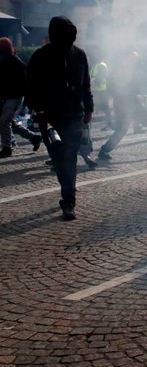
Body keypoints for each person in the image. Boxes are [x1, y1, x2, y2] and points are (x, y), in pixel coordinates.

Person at [25, 17, 93, 221]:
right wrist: (39, 111)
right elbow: (31, 87)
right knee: (58, 158)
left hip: (74, 115)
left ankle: (68, 201)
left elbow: (85, 84)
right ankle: (67, 188)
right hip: (50, 118)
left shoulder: (80, 55)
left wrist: (89, 108)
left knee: (69, 158)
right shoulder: (40, 56)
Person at [98, 48, 147, 160]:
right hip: (126, 104)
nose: (136, 60)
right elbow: (115, 89)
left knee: (124, 128)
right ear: (126, 58)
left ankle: (104, 150)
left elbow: (141, 82)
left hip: (131, 103)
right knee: (146, 124)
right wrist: (136, 95)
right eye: (133, 58)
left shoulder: (132, 70)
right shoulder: (119, 71)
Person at [0, 37, 43, 157]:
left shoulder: (12, 60)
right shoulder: (7, 59)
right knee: (10, 122)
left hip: (14, 96)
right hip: (11, 96)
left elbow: (25, 76)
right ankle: (33, 137)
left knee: (4, 122)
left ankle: (7, 147)